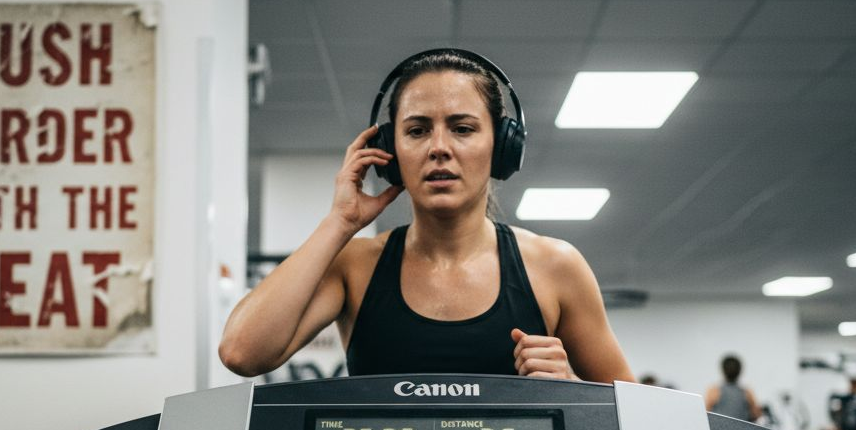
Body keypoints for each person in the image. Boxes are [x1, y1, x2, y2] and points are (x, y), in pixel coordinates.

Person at [219, 49, 633, 383]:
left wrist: (576, 388)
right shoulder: (356, 266)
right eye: (417, 130)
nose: (439, 147)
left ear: (502, 147)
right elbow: (242, 353)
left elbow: (637, 420)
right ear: (390, 152)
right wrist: (340, 222)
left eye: (463, 128)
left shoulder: (555, 266)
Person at [704, 354, 761, 422]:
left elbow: (705, 414)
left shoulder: (714, 391)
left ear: (723, 370)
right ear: (740, 371)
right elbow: (756, 415)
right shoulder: (747, 393)